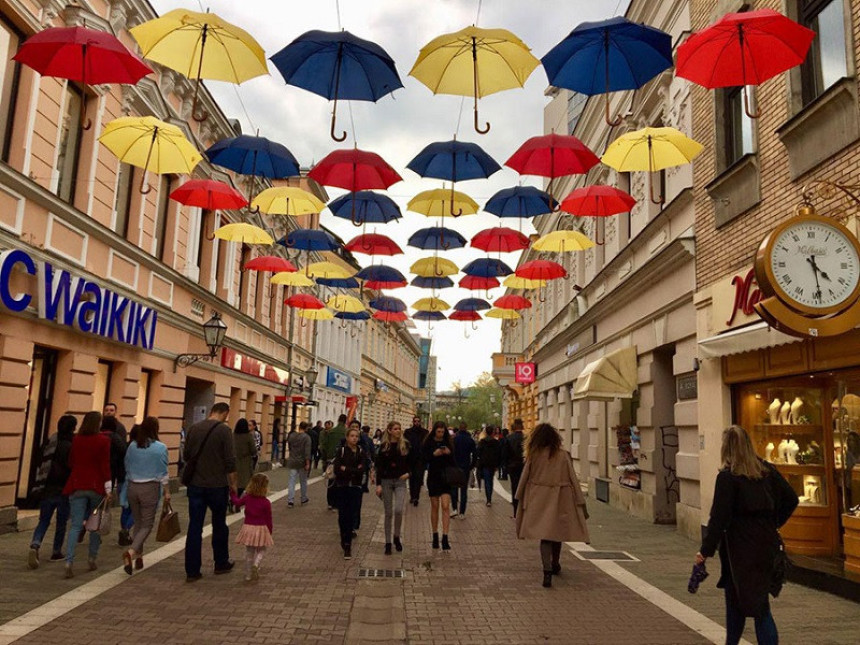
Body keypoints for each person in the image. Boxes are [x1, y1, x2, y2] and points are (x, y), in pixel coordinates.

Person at [696, 426, 799, 645]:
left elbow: (718, 519)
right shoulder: (766, 471)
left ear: (727, 448)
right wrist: (773, 523)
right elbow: (791, 498)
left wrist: (705, 551)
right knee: (738, 600)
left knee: (759, 607)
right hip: (765, 546)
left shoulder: (728, 478)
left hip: (740, 550)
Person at [515, 422, 589, 588]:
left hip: (538, 498)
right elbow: (573, 478)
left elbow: (524, 477)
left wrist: (519, 497)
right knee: (557, 532)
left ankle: (546, 570)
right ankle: (555, 564)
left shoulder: (533, 455)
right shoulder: (563, 455)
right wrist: (580, 501)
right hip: (560, 497)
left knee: (545, 535)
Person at [183, 402, 238, 582]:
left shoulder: (194, 428)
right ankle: (220, 562)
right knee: (219, 524)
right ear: (224, 413)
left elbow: (186, 455)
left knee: (194, 527)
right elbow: (230, 460)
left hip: (196, 485)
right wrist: (233, 485)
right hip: (217, 486)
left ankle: (192, 570)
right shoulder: (224, 431)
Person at [63, 411, 112, 578]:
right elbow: (105, 465)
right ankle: (92, 557)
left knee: (76, 525)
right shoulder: (103, 440)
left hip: (77, 484)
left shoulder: (76, 439)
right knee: (95, 525)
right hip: (96, 486)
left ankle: (69, 561)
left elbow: (71, 461)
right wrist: (108, 488)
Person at [122, 416, 169, 575]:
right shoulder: (161, 447)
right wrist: (167, 492)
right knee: (147, 524)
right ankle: (132, 552)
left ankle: (139, 558)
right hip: (150, 488)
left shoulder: (133, 446)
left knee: (138, 521)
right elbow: (163, 472)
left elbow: (126, 466)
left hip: (133, 487)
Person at [28, 414, 75, 569]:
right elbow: (72, 466)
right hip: (64, 489)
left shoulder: (50, 442)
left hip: (47, 487)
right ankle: (56, 551)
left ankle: (35, 543)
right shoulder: (71, 445)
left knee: (44, 520)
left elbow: (38, 459)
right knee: (61, 522)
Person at [230, 473, 273, 582]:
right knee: (262, 549)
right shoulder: (266, 503)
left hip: (248, 527)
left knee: (249, 552)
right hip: (261, 528)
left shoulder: (247, 498)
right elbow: (269, 519)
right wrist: (269, 531)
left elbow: (237, 503)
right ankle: (256, 563)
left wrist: (232, 494)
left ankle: (248, 575)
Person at [375, 421, 410, 554]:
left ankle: (397, 536)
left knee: (399, 509)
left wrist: (409, 473)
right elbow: (379, 466)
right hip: (386, 481)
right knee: (388, 513)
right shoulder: (384, 446)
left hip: (400, 480)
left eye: (399, 428)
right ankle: (388, 542)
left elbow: (412, 462)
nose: (398, 431)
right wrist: (378, 484)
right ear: (389, 430)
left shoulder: (405, 445)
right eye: (395, 429)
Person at [333, 426, 367, 560]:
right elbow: (337, 469)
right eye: (352, 436)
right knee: (343, 515)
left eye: (356, 436)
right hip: (342, 487)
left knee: (352, 514)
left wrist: (346, 469)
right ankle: (344, 538)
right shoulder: (341, 451)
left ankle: (348, 544)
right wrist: (353, 470)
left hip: (356, 487)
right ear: (347, 438)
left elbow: (362, 468)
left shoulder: (360, 451)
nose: (354, 438)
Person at [423, 421, 455, 551]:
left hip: (446, 478)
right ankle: (435, 534)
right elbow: (423, 459)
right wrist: (433, 454)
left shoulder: (449, 443)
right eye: (439, 432)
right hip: (433, 477)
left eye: (443, 432)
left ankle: (445, 537)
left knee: (446, 506)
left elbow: (454, 461)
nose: (441, 434)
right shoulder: (428, 443)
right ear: (435, 431)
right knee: (435, 506)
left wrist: (448, 453)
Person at [101, 416, 132, 546]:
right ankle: (122, 529)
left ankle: (87, 524)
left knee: (98, 501)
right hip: (114, 472)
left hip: (99, 473)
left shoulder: (98, 436)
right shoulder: (116, 438)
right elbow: (124, 453)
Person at [321, 415, 347, 510]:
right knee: (340, 481)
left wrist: (324, 459)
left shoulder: (331, 432)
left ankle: (330, 502)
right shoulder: (346, 432)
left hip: (330, 459)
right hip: (342, 460)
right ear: (345, 421)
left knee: (331, 480)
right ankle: (337, 502)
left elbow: (324, 446)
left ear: (338, 420)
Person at [451, 423, 476, 520]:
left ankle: (454, 509)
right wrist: (472, 466)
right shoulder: (470, 440)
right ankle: (462, 512)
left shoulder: (454, 439)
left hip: (455, 466)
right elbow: (474, 454)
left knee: (454, 489)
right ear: (466, 428)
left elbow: (451, 453)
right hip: (465, 467)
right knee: (464, 490)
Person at [502, 419, 526, 518]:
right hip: (524, 466)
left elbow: (505, 454)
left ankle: (516, 511)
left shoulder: (509, 438)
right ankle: (523, 509)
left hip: (512, 466)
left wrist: (505, 466)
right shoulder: (526, 438)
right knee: (524, 487)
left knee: (514, 487)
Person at [286, 421, 311, 507]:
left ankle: (290, 500)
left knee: (291, 481)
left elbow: (289, 447)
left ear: (299, 427)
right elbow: (307, 452)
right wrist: (307, 463)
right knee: (303, 481)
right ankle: (303, 498)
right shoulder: (307, 438)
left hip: (293, 460)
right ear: (306, 428)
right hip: (302, 462)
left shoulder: (292, 436)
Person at [404, 415, 428, 506]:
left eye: (418, 421)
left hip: (420, 459)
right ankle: (412, 496)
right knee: (411, 478)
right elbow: (405, 444)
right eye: (415, 421)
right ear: (413, 422)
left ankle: (416, 497)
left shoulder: (425, 432)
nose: (417, 423)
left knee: (418, 478)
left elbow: (426, 445)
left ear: (420, 422)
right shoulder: (408, 432)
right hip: (410, 458)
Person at [477, 425, 502, 506]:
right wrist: (497, 465)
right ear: (493, 432)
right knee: (490, 481)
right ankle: (489, 498)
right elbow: (499, 454)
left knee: (487, 481)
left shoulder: (482, 442)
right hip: (492, 464)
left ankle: (488, 499)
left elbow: (478, 453)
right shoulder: (496, 442)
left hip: (484, 464)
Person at [233, 418, 256, 499]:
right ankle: (240, 499)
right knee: (244, 483)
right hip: (245, 463)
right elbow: (253, 450)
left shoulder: (233, 436)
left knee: (234, 482)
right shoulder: (248, 436)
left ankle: (233, 499)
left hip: (234, 461)